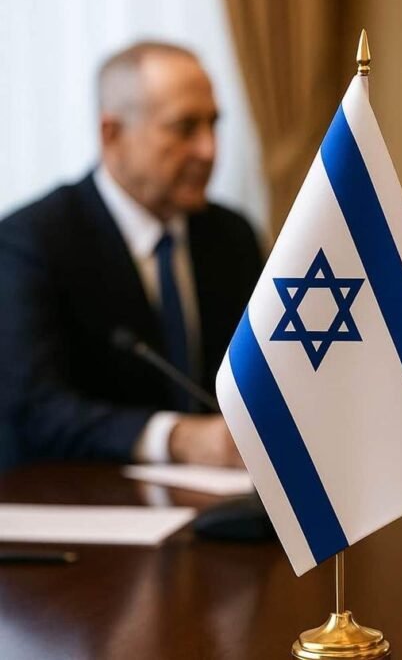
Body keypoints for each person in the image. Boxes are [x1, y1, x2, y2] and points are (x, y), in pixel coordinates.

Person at [0, 41, 263, 468]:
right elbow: (36, 409)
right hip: (81, 494)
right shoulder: (30, 240)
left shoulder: (232, 236)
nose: (209, 150)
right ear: (112, 134)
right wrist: (176, 438)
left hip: (226, 496)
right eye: (185, 128)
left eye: (214, 124)